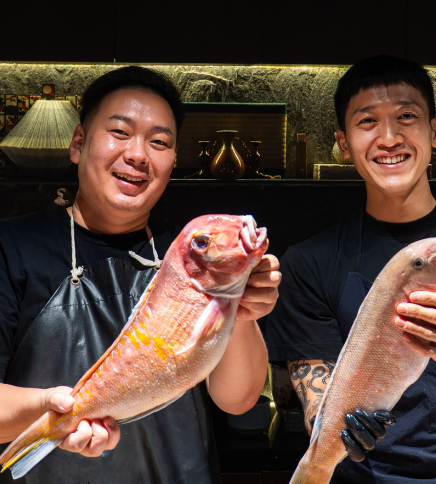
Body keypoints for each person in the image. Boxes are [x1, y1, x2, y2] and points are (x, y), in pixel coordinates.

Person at [0, 66, 281, 484]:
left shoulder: (190, 257)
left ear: (173, 161)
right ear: (78, 144)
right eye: (119, 132)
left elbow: (238, 400)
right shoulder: (12, 247)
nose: (138, 155)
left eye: (159, 142)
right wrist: (51, 409)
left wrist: (240, 311)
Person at [265, 55, 436, 483]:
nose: (389, 138)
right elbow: (317, 401)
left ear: (435, 131)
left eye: (406, 116)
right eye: (367, 121)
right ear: (343, 143)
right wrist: (340, 430)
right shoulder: (309, 262)